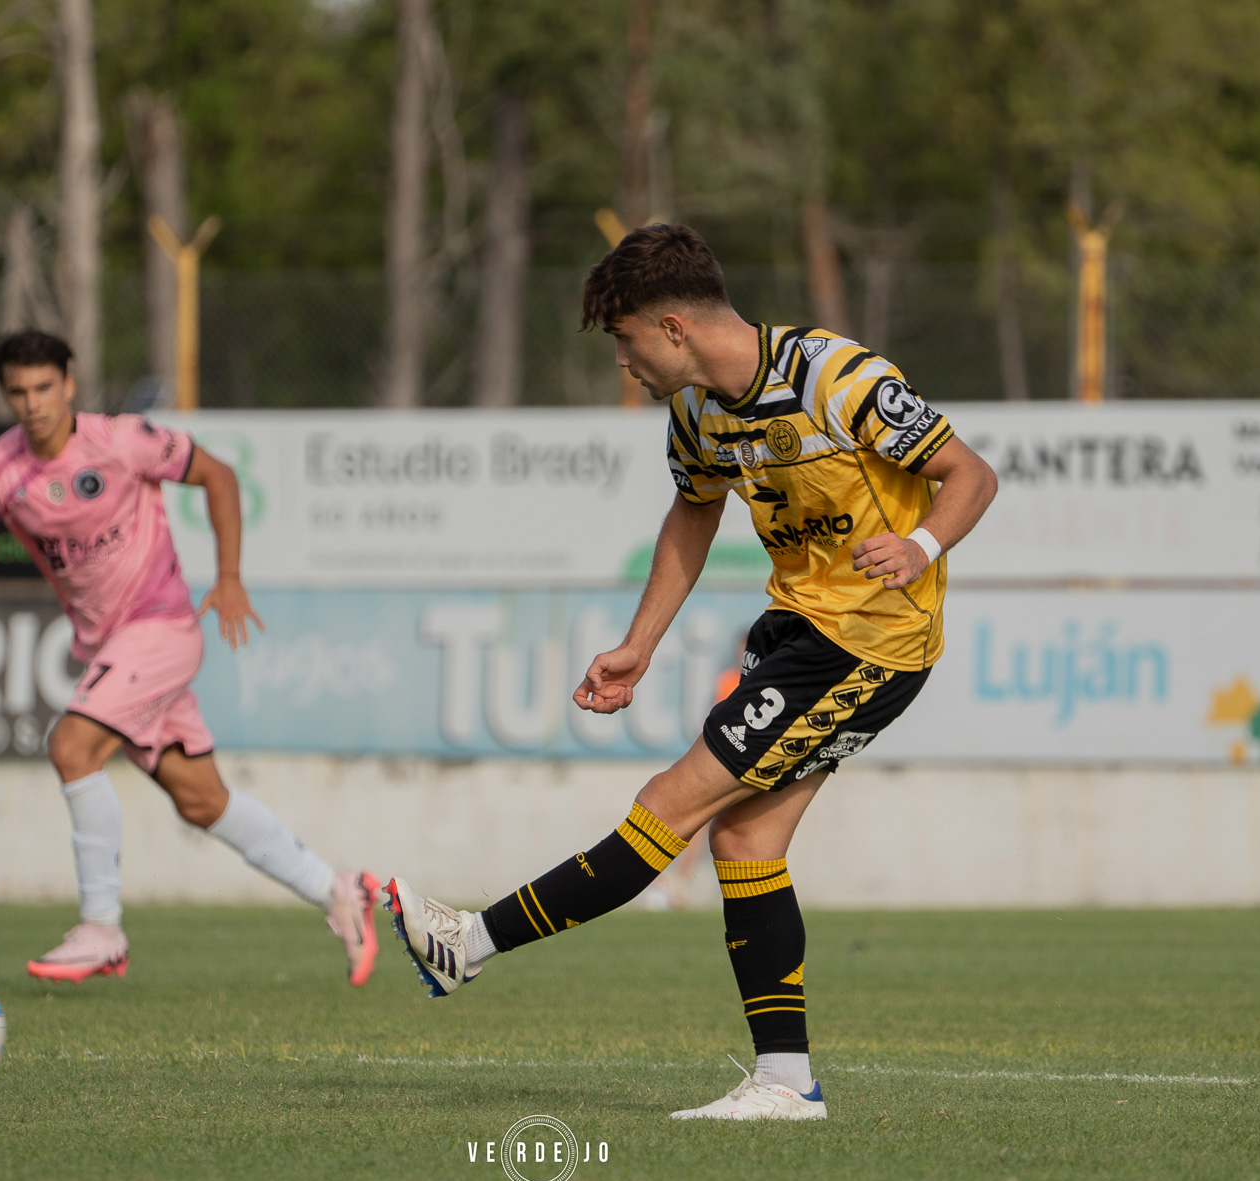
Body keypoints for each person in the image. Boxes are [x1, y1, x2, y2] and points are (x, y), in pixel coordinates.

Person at [384, 224, 998, 1119]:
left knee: (672, 802)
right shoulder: (699, 414)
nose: (624, 363)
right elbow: (692, 515)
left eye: (626, 341)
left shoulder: (837, 378)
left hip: (869, 643)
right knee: (743, 842)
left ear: (672, 327)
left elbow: (968, 473)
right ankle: (787, 1084)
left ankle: (470, 941)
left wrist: (921, 542)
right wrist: (641, 642)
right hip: (795, 629)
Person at [0, 329, 379, 987]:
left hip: (162, 627)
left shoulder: (120, 440)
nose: (32, 404)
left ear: (69, 385)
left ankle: (102, 926)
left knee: (72, 747)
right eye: (18, 392)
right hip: (110, 648)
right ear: (7, 394)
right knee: (202, 801)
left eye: (43, 388)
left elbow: (216, 475)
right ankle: (337, 890)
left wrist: (228, 576)